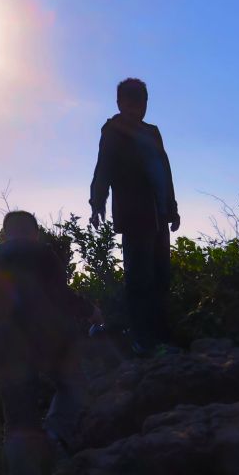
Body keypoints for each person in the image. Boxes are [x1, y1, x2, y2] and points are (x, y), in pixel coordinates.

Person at [0, 210, 101, 474]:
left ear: (5, 233)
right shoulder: (43, 254)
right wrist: (91, 311)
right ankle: (53, 438)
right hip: (47, 345)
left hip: (4, 353)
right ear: (34, 232)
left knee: (17, 424)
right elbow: (63, 297)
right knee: (75, 386)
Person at [89, 77, 180, 356]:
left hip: (158, 216)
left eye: (140, 103)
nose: (135, 108)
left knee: (162, 277)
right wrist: (97, 203)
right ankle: (142, 339)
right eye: (129, 103)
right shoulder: (113, 131)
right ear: (119, 104)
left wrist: (172, 207)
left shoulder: (152, 132)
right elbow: (103, 168)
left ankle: (162, 337)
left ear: (145, 104)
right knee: (139, 279)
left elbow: (164, 171)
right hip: (133, 214)